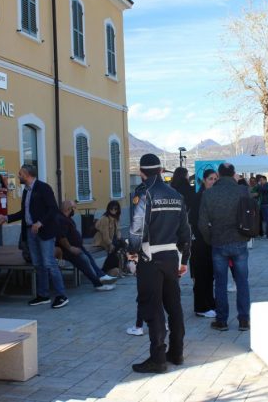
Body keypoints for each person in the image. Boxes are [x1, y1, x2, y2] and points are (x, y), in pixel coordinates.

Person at [127, 153, 191, 374]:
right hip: (172, 257)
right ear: (161, 170)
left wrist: (131, 255)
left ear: (142, 172)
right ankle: (177, 352)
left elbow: (137, 228)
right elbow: (185, 231)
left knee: (152, 308)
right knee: (174, 307)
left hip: (150, 259)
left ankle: (158, 358)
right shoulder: (176, 195)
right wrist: (184, 260)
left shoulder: (144, 194)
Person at [0, 165, 68, 309]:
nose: (18, 176)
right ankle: (43, 295)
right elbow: (24, 212)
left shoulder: (44, 188)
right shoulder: (26, 191)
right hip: (31, 232)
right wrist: (7, 217)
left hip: (45, 231)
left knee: (49, 263)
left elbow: (53, 209)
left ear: (28, 174)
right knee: (38, 264)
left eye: (20, 174)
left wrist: (40, 222)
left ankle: (62, 295)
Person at [199, 162, 251, 332]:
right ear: (234, 173)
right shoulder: (243, 191)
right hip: (240, 242)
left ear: (219, 175)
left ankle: (222, 321)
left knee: (220, 284)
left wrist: (210, 239)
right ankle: (244, 320)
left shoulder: (209, 194)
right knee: (242, 282)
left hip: (218, 243)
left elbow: (202, 224)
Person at [55, 200, 117, 291]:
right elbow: (61, 237)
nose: (74, 210)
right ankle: (98, 284)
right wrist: (71, 248)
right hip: (68, 250)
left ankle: (102, 276)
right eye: (73, 208)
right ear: (68, 208)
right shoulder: (60, 219)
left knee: (89, 259)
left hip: (77, 246)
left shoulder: (67, 218)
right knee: (85, 262)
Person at [188, 169, 217, 319]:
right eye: (210, 179)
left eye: (215, 179)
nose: (213, 181)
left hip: (209, 241)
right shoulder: (199, 197)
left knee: (209, 274)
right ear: (204, 180)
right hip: (199, 241)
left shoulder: (210, 196)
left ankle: (210, 302)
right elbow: (195, 220)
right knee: (201, 274)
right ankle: (201, 306)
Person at [93, 200, 124, 275]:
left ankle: (114, 268)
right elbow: (105, 235)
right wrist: (110, 244)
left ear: (118, 210)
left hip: (111, 239)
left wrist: (119, 238)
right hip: (102, 240)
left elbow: (118, 230)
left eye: (115, 209)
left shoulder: (115, 218)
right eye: (111, 209)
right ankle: (106, 269)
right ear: (108, 209)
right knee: (114, 249)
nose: (113, 210)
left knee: (123, 244)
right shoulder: (105, 219)